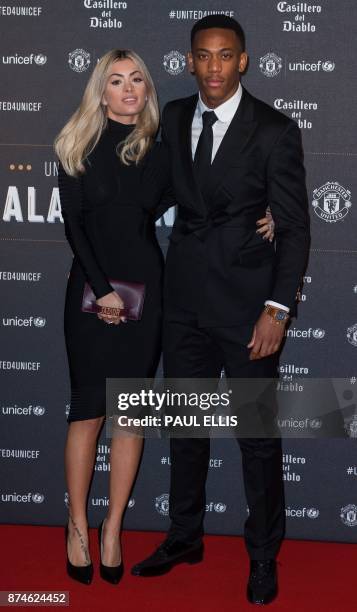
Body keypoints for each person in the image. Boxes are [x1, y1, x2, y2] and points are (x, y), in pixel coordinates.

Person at [55, 47, 274, 587]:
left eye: (136, 80)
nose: (128, 90)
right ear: (99, 91)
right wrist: (103, 291)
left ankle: (113, 530)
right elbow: (75, 229)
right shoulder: (74, 144)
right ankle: (77, 526)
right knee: (88, 412)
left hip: (148, 294)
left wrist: (261, 210)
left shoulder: (160, 150)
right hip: (90, 292)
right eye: (115, 81)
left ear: (148, 89)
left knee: (129, 417)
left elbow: (212, 196)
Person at [131, 15, 310, 606]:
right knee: (186, 429)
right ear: (189, 61)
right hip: (183, 304)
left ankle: (263, 556)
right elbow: (157, 193)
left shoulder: (275, 131)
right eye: (202, 56)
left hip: (246, 309)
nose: (213, 66)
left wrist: (277, 311)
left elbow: (297, 229)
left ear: (243, 61)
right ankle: (185, 536)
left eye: (224, 55)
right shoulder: (176, 116)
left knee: (257, 438)